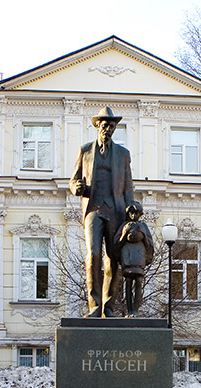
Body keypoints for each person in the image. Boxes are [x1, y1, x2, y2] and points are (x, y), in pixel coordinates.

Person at [69, 107, 134, 317]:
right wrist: (75, 187)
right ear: (98, 126)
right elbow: (73, 180)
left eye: (112, 126)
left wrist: (131, 207)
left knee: (113, 258)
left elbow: (128, 187)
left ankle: (109, 306)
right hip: (94, 209)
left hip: (115, 210)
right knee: (93, 254)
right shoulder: (85, 151)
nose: (107, 129)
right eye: (104, 125)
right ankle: (94, 306)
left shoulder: (123, 155)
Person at [114, 201, 154, 317]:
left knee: (138, 283)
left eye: (136, 213)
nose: (133, 216)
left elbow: (150, 245)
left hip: (139, 259)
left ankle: (135, 310)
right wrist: (124, 234)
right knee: (127, 283)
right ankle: (129, 309)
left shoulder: (143, 226)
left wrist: (143, 235)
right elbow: (116, 244)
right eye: (131, 213)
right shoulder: (124, 226)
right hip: (127, 259)